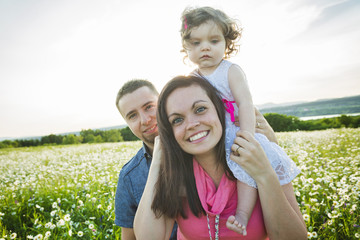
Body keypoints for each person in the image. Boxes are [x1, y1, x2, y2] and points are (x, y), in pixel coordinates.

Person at [133, 76, 307, 239]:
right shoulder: (175, 173)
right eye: (177, 120)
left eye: (200, 109)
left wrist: (264, 175)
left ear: (219, 110)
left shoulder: (262, 155)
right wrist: (157, 162)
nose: (192, 124)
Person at [180, 6, 300, 234]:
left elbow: (245, 103)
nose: (205, 47)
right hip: (212, 136)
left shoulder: (230, 70)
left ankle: (243, 214)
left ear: (227, 44)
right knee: (230, 173)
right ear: (186, 47)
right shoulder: (191, 78)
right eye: (196, 43)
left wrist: (247, 136)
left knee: (246, 170)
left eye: (213, 41)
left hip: (236, 131)